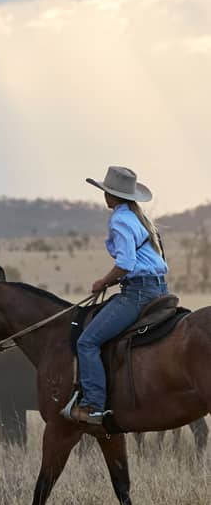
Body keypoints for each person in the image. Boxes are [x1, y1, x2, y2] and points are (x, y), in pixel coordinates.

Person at [65, 166, 168, 425]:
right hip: (159, 288)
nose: (104, 196)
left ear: (111, 196)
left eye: (106, 191)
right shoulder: (138, 217)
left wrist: (103, 281)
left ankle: (94, 406)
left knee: (86, 342)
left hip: (138, 293)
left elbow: (126, 262)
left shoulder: (120, 220)